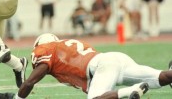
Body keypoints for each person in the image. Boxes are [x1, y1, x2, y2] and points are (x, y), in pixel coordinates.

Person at [16, 33, 172, 99]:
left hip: (102, 66)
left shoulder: (46, 48)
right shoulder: (66, 44)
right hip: (115, 59)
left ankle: (131, 90)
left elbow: (30, 82)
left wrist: (18, 97)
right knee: (160, 77)